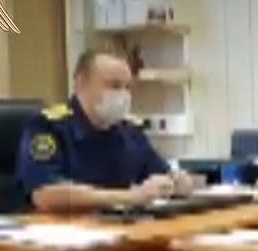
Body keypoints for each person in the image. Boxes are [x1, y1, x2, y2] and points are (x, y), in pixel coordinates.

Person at [17, 50, 192, 212]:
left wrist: (175, 182)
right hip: (60, 229)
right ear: (81, 84)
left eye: (127, 87)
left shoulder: (130, 130)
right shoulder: (47, 126)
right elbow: (44, 194)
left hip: (119, 227)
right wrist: (130, 197)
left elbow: (159, 174)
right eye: (114, 86)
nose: (123, 96)